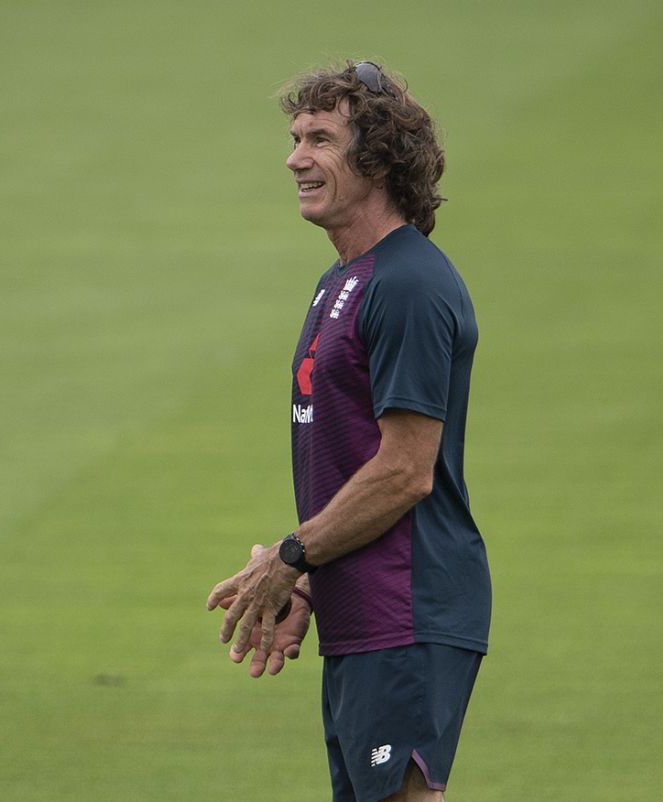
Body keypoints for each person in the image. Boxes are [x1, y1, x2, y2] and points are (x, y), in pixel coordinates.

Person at [206, 61, 490, 802]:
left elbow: (404, 471)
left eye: (320, 139)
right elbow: (353, 461)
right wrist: (311, 581)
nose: (295, 157)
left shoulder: (408, 284)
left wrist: (294, 558)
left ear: (378, 158)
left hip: (409, 608)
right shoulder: (344, 280)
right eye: (296, 137)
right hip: (365, 612)